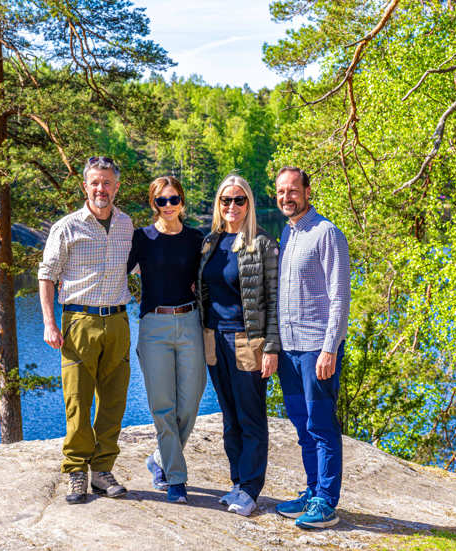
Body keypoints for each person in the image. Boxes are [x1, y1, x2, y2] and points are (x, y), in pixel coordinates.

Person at [38, 156, 133, 505]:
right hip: (79, 322)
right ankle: (76, 471)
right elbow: (46, 276)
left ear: (116, 187)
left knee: (114, 400)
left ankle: (103, 470)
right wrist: (50, 323)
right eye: (95, 182)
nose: (101, 189)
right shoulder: (66, 227)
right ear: (85, 186)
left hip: (118, 321)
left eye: (107, 182)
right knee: (78, 399)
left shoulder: (126, 224)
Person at [196, 174, 280, 517]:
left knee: (251, 417)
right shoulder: (211, 242)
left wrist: (272, 347)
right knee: (229, 417)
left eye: (239, 200)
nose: (232, 206)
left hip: (249, 341)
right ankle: (237, 482)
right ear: (219, 204)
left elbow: (275, 300)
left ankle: (250, 489)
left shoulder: (262, 243)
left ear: (249, 204)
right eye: (225, 200)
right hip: (214, 339)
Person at [273, 166, 350, 529]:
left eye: (292, 191)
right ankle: (311, 490)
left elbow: (339, 298)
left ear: (307, 191)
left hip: (316, 350)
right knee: (302, 426)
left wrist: (330, 348)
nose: (287, 197)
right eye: (281, 192)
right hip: (288, 351)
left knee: (321, 425)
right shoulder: (286, 236)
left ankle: (326, 502)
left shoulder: (326, 233)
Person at [127, 176, 206, 504]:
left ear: (182, 202)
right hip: (155, 326)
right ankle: (176, 478)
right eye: (162, 200)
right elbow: (114, 272)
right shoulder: (141, 238)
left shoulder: (195, 239)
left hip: (190, 323)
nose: (169, 206)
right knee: (164, 406)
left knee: (190, 402)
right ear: (153, 204)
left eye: (174, 199)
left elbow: (211, 279)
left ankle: (159, 459)